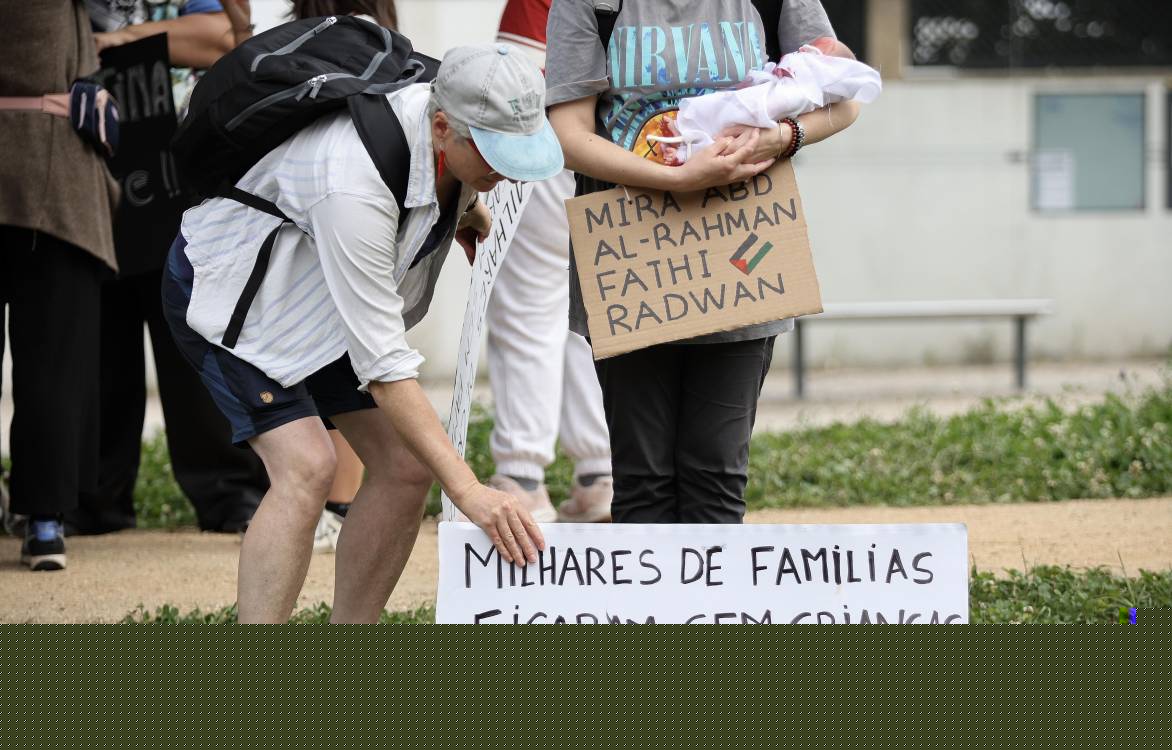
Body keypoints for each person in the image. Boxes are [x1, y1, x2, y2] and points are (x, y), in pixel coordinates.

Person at [162, 42, 554, 622]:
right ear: (445, 126)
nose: (507, 169)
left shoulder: (443, 120)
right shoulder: (349, 182)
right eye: (496, 154)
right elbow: (385, 369)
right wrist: (470, 492)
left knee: (406, 466)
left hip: (322, 299)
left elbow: (434, 174)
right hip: (235, 298)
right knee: (307, 467)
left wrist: (461, 207)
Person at [545, 0, 861, 523]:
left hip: (742, 250)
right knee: (641, 481)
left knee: (716, 475)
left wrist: (782, 136)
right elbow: (568, 134)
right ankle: (650, 608)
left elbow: (844, 99)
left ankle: (710, 608)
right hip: (630, 257)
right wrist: (678, 179)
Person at [69, 0, 270, 536]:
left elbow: (218, 35)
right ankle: (93, 502)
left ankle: (229, 494)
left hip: (177, 186)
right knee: (95, 352)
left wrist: (118, 41)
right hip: (91, 178)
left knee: (196, 347)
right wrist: (157, 40)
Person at [0, 0, 120, 570]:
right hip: (53, 173)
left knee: (51, 361)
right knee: (54, 364)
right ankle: (44, 520)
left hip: (37, 162)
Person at [484, 0, 614, 523]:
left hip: (543, 116)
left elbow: (516, 62)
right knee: (599, 304)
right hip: (628, 133)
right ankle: (602, 471)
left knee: (529, 304)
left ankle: (522, 476)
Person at [286, 0, 404, 552]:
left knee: (334, 370)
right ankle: (339, 503)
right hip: (349, 224)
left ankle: (332, 506)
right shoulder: (382, 47)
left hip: (296, 238)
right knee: (357, 364)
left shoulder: (291, 43)